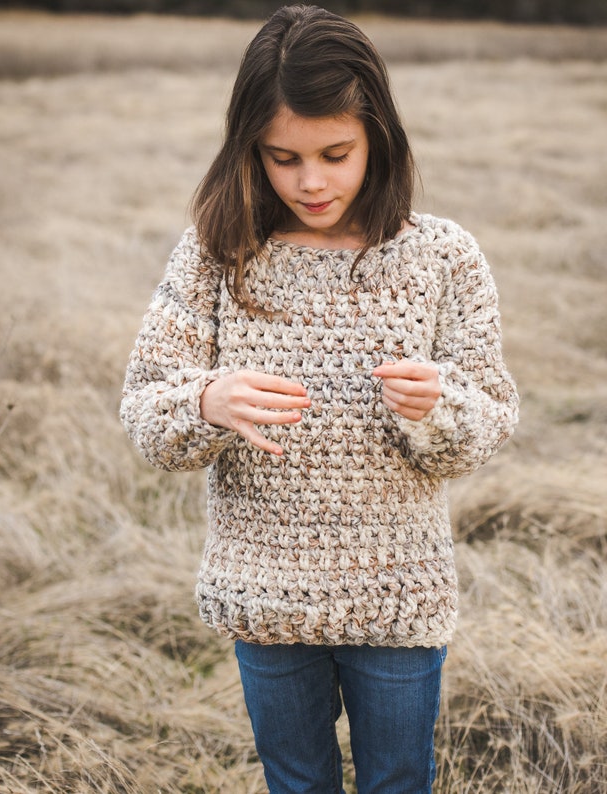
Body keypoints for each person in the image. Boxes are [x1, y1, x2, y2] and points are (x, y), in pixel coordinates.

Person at [120, 5, 519, 792]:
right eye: (282, 157)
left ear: (379, 135)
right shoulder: (218, 255)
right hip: (263, 590)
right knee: (296, 780)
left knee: (399, 778)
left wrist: (437, 407)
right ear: (249, 151)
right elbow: (144, 406)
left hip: (397, 592)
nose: (311, 181)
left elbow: (491, 413)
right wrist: (209, 400)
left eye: (337, 154)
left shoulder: (441, 257)